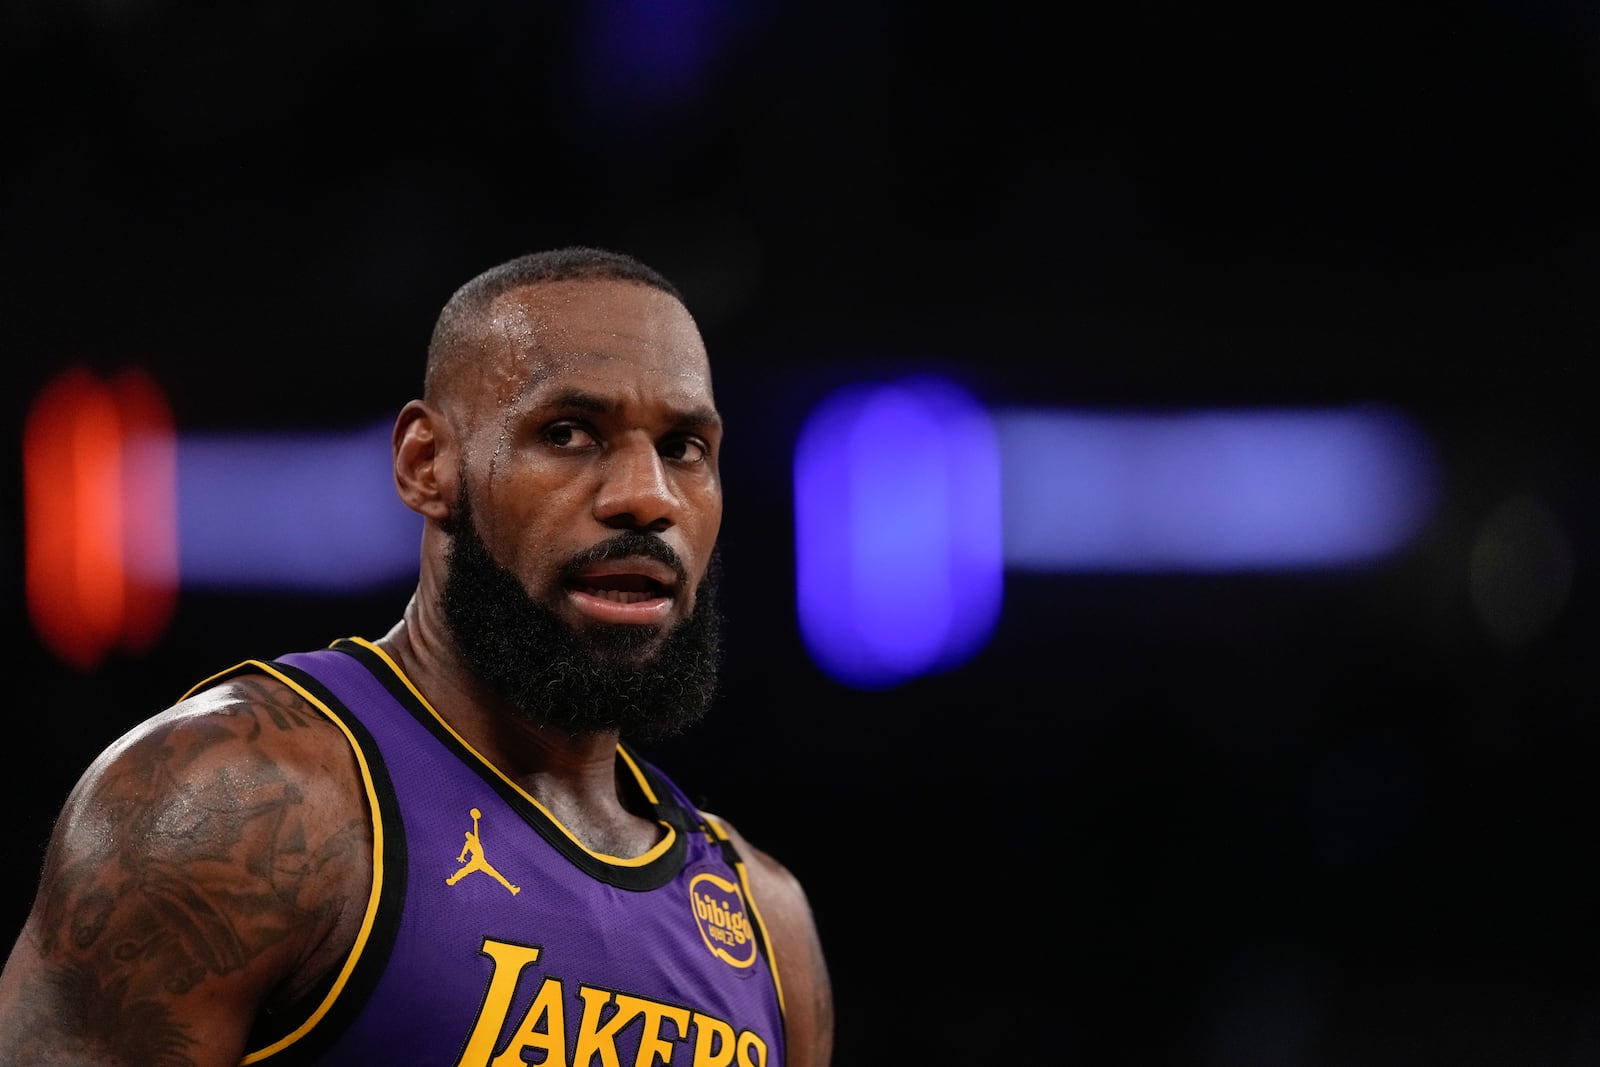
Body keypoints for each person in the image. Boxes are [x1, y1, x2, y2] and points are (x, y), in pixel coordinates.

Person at [0, 246, 834, 1066]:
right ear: (425, 464)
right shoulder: (233, 806)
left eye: (685, 447)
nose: (647, 496)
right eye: (570, 432)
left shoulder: (768, 923)